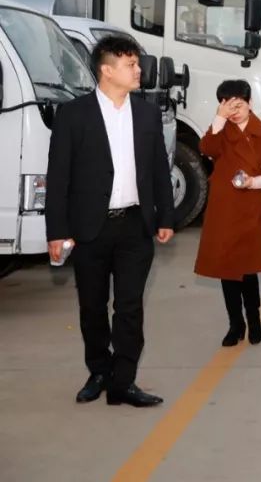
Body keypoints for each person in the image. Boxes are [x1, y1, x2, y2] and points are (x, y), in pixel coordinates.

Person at [45, 35, 174, 408]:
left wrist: (165, 215)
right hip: (90, 227)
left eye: (137, 63)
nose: (138, 70)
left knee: (130, 308)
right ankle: (99, 371)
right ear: (106, 70)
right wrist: (57, 231)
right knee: (92, 306)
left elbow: (158, 169)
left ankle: (124, 381)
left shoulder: (146, 114)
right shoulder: (74, 114)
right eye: (130, 64)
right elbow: (59, 177)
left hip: (135, 225)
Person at [194, 80, 261, 347]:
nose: (234, 112)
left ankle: (254, 320)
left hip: (252, 207)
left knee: (247, 270)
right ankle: (235, 324)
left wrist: (253, 182)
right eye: (228, 106)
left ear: (250, 103)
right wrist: (218, 119)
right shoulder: (220, 131)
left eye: (239, 105)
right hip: (224, 209)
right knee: (227, 269)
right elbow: (207, 149)